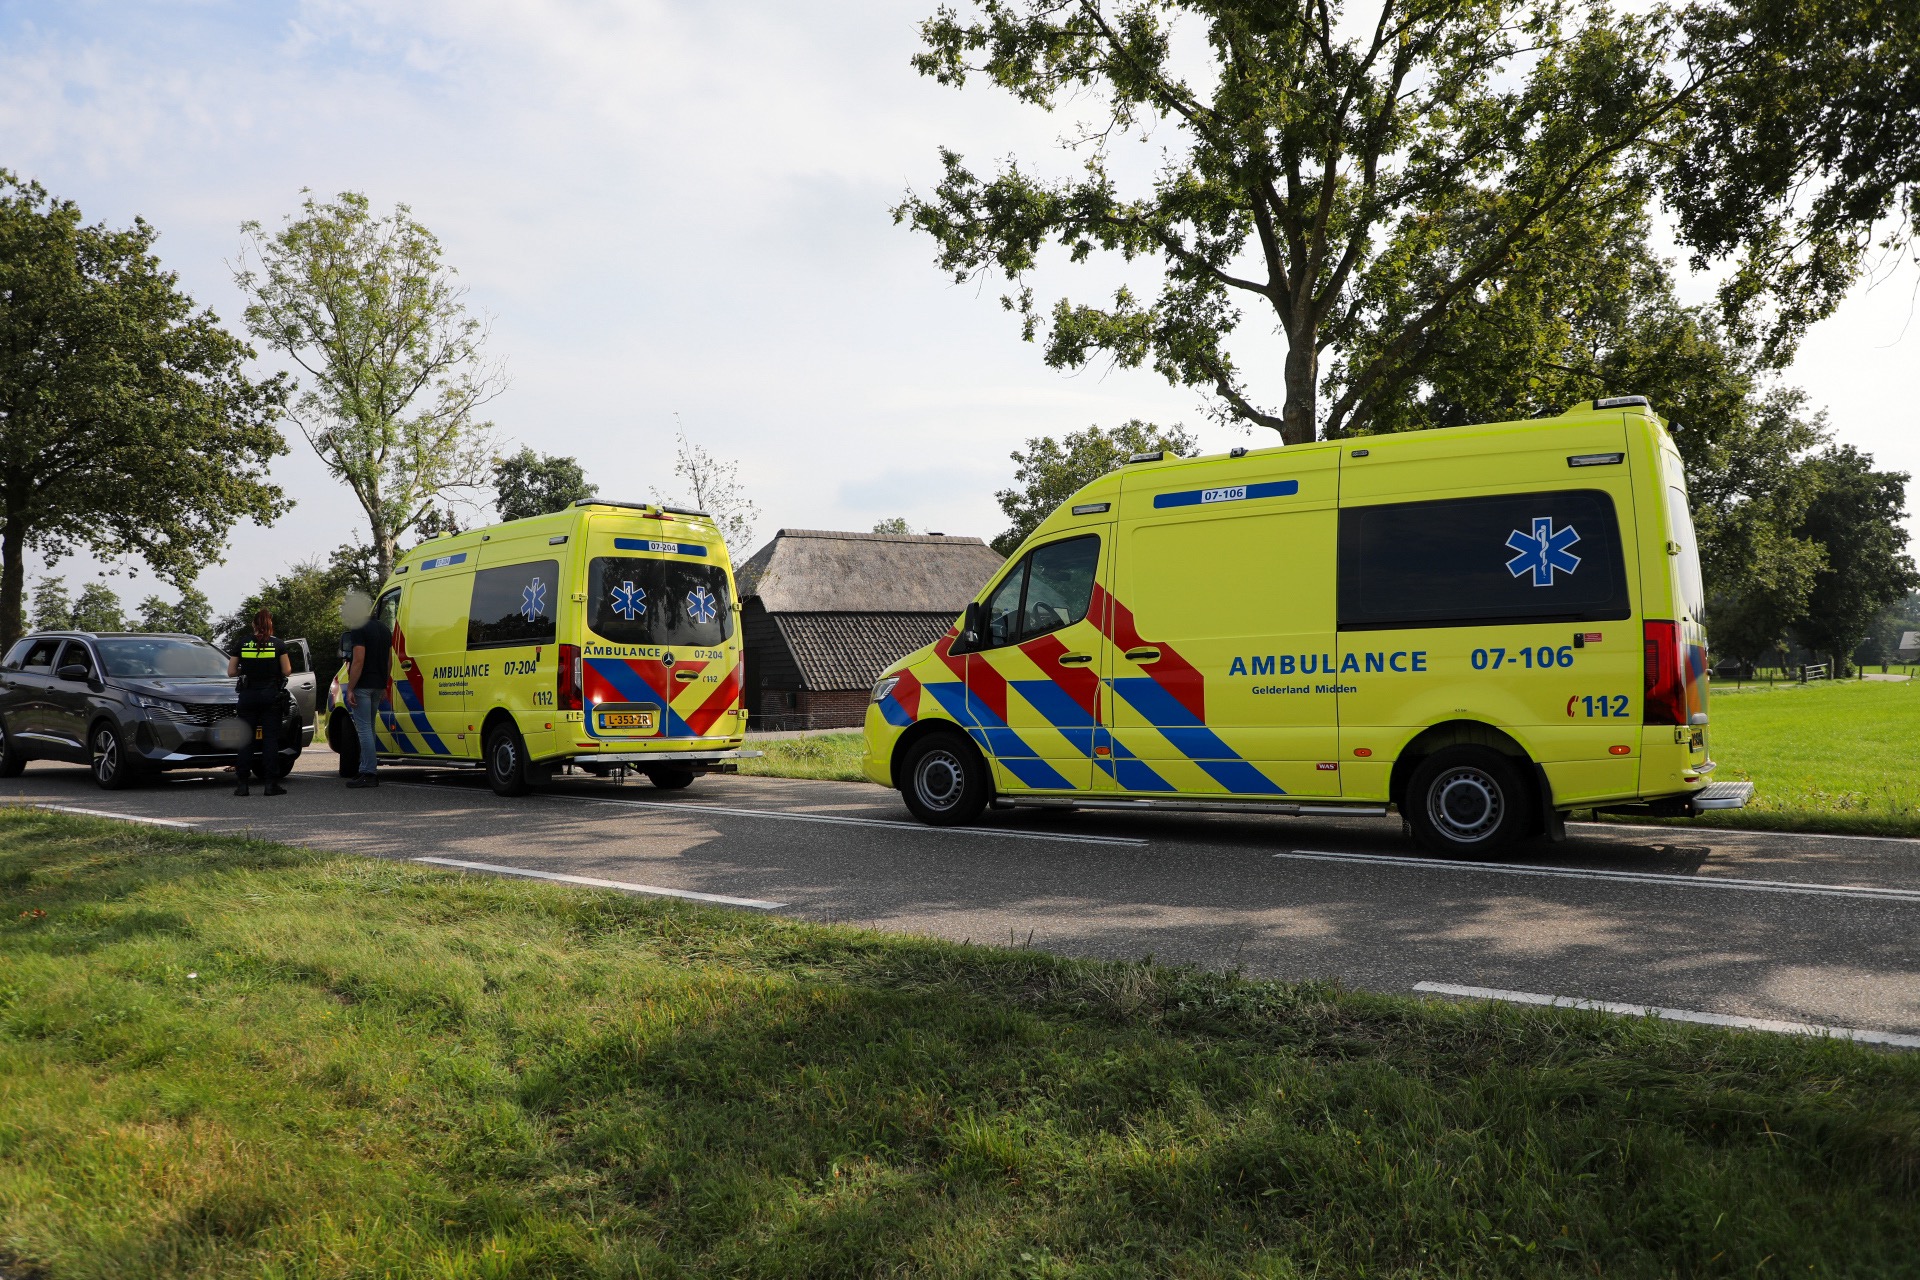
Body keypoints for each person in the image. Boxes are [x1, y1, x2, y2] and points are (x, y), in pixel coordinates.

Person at [227, 608, 292, 797]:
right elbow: (287, 670)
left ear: (254, 624)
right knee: (270, 740)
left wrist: (245, 670)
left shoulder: (242, 643)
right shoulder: (278, 644)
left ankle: (242, 785)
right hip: (270, 696)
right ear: (270, 625)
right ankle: (271, 784)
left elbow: (231, 672)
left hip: (248, 697)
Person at [341, 590, 391, 789]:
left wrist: (351, 687)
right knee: (369, 728)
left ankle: (369, 773)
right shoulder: (384, 628)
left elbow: (358, 660)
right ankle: (366, 769)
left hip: (363, 686)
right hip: (378, 684)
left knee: (364, 730)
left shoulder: (358, 628)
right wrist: (385, 683)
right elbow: (389, 661)